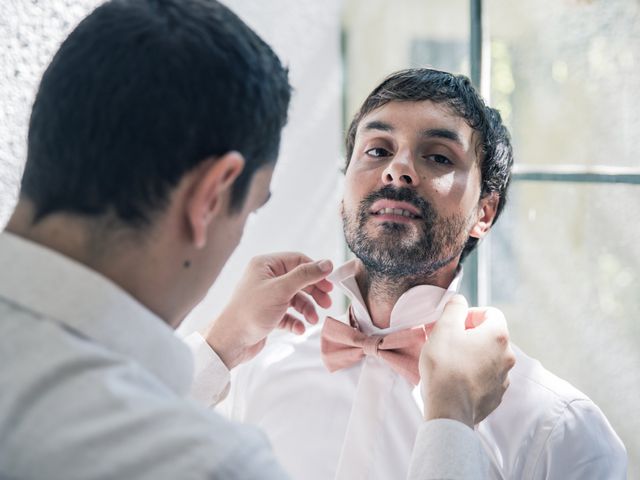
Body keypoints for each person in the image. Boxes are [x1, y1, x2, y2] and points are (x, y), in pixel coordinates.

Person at [0, 1, 514, 479]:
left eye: (439, 157)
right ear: (211, 197)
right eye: (253, 206)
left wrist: (221, 346)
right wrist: (451, 422)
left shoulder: (553, 421)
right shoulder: (206, 457)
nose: (398, 171)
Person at [214, 68, 628, 479]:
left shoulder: (562, 432)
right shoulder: (257, 378)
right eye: (377, 150)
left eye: (438, 156)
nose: (398, 169)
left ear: (483, 214)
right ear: (344, 193)